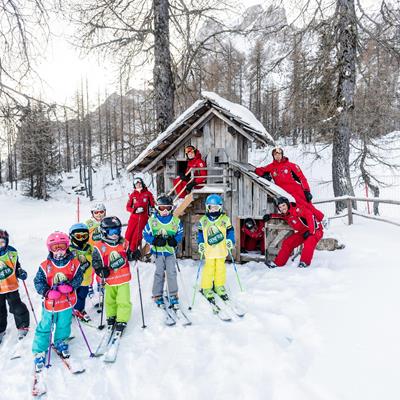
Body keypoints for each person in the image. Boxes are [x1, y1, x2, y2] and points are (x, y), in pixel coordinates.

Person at [32, 232, 83, 372]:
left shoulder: (74, 263)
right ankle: (40, 350)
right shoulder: (45, 265)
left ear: (67, 246)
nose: (59, 250)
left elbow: (79, 277)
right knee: (45, 326)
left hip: (67, 303)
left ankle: (60, 341)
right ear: (50, 249)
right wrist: (47, 292)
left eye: (62, 246)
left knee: (64, 324)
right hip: (51, 304)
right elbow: (38, 281)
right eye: (55, 247)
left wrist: (72, 286)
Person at [255, 147, 324, 222]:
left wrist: (306, 191)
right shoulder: (271, 167)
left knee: (308, 207)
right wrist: (264, 175)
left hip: (297, 191)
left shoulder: (291, 165)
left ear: (282, 155)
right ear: (273, 156)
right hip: (285, 193)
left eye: (279, 154)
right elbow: (258, 170)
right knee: (297, 212)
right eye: (275, 155)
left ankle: (321, 220)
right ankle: (308, 226)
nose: (277, 156)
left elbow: (302, 178)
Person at [92, 216, 132, 334]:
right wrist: (100, 270)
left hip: (123, 278)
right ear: (104, 232)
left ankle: (122, 320)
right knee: (110, 300)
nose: (115, 234)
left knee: (123, 301)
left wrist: (133, 254)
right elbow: (95, 262)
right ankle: (111, 316)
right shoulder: (99, 247)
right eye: (111, 231)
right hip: (109, 280)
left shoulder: (124, 243)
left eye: (117, 231)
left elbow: (129, 254)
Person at [143, 195, 184, 306]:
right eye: (162, 208)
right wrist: (154, 240)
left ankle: (173, 294)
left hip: (170, 252)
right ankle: (157, 294)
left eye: (168, 208)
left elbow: (180, 233)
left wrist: (175, 240)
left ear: (172, 208)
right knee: (159, 273)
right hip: (158, 252)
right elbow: (145, 234)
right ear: (157, 208)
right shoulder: (153, 221)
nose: (165, 211)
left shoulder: (175, 221)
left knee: (171, 273)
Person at [263, 196, 323, 268]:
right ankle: (278, 263)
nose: (282, 208)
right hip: (302, 232)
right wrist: (271, 216)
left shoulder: (297, 209)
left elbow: (310, 215)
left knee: (309, 241)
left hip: (315, 230)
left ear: (287, 204)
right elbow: (282, 216)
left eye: (283, 205)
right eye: (280, 207)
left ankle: (304, 263)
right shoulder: (287, 214)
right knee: (288, 242)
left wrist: (311, 232)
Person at [197, 194, 235, 303]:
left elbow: (230, 232)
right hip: (209, 251)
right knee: (209, 269)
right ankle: (206, 287)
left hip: (221, 250)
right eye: (211, 207)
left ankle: (219, 286)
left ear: (220, 207)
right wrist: (201, 243)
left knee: (220, 269)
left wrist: (230, 240)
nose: (213, 209)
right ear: (207, 207)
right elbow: (200, 234)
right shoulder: (203, 220)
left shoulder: (225, 219)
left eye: (216, 207)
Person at [0, 229, 30, 343]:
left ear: (6, 242)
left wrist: (20, 272)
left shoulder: (12, 253)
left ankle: (22, 325)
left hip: (10, 286)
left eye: (1, 242)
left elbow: (16, 267)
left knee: (16, 306)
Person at [125, 177, 155, 259]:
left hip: (143, 219)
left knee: (137, 236)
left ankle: (132, 251)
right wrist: (134, 210)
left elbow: (153, 205)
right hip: (133, 218)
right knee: (128, 235)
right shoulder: (133, 194)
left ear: (142, 183)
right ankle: (125, 251)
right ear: (134, 186)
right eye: (136, 184)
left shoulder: (148, 194)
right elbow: (127, 207)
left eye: (139, 183)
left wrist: (152, 212)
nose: (138, 185)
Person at [69, 223, 93, 323]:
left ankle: (79, 309)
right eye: (78, 236)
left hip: (86, 278)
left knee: (83, 294)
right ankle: (70, 310)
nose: (81, 238)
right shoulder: (69, 249)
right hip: (73, 279)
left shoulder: (89, 247)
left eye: (84, 236)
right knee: (73, 295)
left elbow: (96, 257)